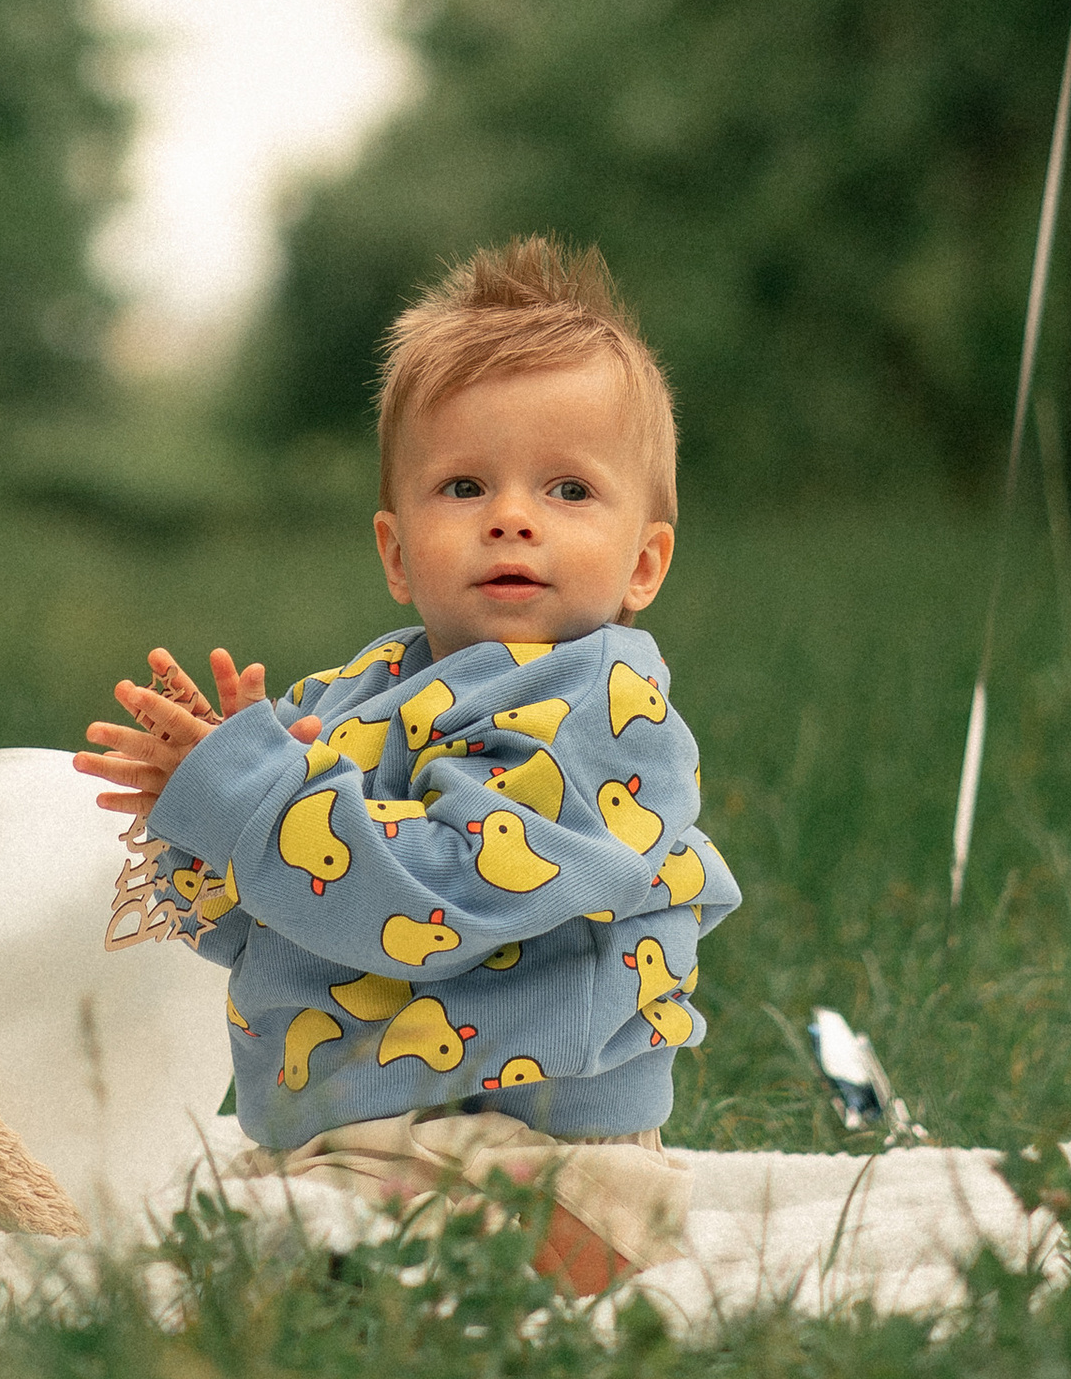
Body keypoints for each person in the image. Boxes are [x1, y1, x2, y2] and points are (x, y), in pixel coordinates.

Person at [76, 237, 736, 1284]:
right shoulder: (354, 701)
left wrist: (257, 796)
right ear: (395, 551)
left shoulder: (600, 705)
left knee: (313, 1246)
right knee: (227, 1227)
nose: (512, 515)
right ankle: (358, 1240)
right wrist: (196, 813)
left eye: (568, 490)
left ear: (643, 560)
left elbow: (444, 894)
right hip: (366, 1124)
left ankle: (546, 1236)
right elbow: (266, 917)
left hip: (534, 1133)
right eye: (465, 485)